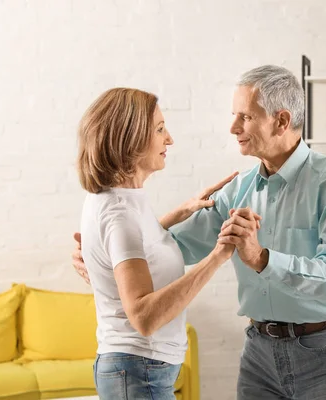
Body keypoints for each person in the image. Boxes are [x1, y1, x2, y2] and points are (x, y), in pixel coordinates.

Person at [73, 66, 326, 399]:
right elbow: (174, 248)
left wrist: (262, 258)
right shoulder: (236, 190)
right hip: (261, 351)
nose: (234, 128)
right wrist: (107, 255)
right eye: (235, 115)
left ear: (281, 121)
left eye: (246, 117)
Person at [76, 87, 255, 400]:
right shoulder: (120, 214)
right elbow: (144, 317)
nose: (169, 139)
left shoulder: (119, 198)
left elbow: (134, 248)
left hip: (137, 370)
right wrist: (218, 255)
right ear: (129, 137)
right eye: (159, 129)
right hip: (139, 371)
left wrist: (181, 211)